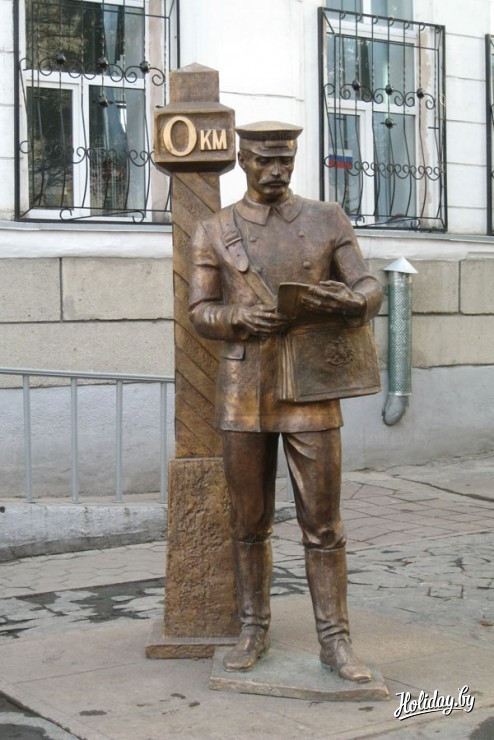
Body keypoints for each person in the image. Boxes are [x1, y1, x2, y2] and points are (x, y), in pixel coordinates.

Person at [189, 121, 383, 682]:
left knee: (323, 523)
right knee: (248, 520)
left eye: (285, 161)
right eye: (263, 161)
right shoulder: (215, 229)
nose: (275, 171)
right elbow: (199, 311)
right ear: (243, 161)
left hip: (311, 386)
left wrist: (353, 302)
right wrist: (238, 316)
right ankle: (253, 627)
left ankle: (335, 640)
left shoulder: (327, 219)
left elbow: (368, 284)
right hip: (244, 390)